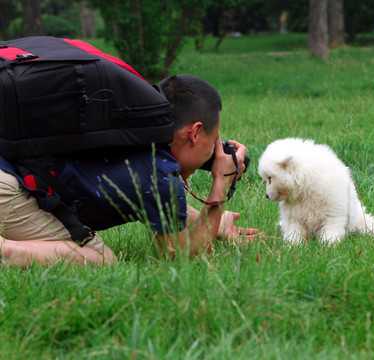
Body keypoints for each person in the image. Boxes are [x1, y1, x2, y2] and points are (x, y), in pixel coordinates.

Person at [0, 74, 258, 268]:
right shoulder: (158, 172)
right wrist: (221, 183)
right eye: (214, 140)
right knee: (102, 259)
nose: (215, 151)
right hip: (9, 190)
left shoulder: (135, 133)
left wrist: (214, 223)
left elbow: (157, 205)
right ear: (194, 132)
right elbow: (182, 258)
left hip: (12, 168)